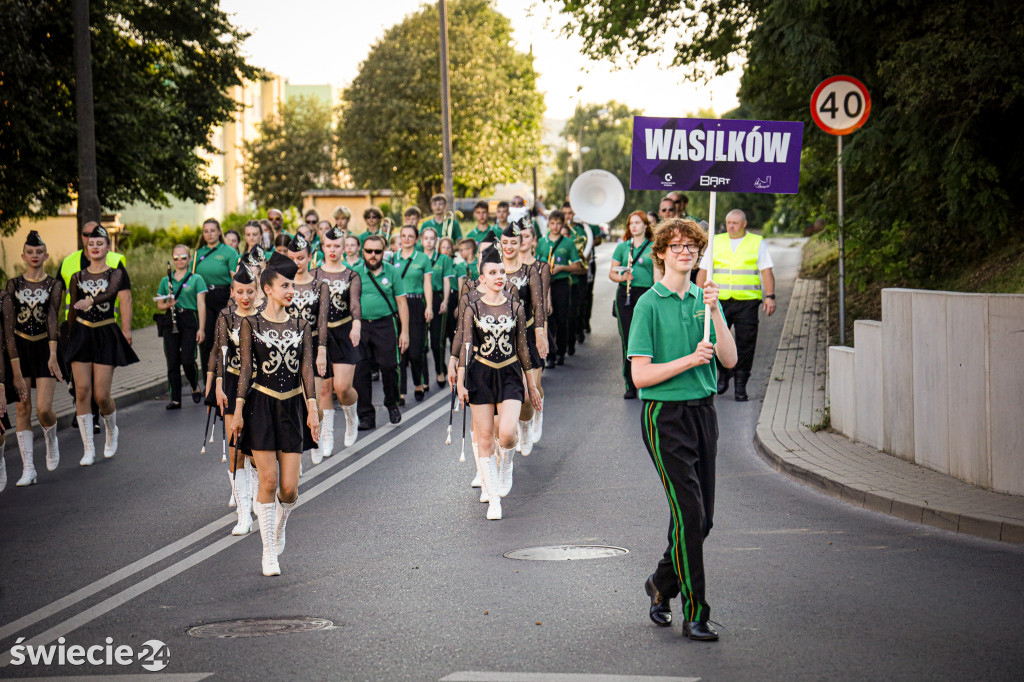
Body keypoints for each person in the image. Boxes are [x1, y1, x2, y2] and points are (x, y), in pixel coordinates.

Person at [626, 217, 737, 642]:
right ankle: (696, 612)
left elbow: (728, 360)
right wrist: (690, 360)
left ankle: (660, 583)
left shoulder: (704, 298)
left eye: (691, 245)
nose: (684, 251)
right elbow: (640, 376)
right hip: (664, 418)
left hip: (703, 414)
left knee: (702, 520)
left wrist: (714, 310)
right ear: (661, 253)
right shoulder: (648, 304)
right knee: (690, 513)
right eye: (676, 246)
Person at [233, 253, 319, 576]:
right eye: (285, 285)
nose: (290, 290)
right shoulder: (250, 324)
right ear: (267, 289)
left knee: (289, 489)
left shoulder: (301, 325)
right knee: (267, 480)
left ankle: (279, 526)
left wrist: (313, 410)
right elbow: (244, 372)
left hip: (293, 409)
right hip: (261, 407)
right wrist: (238, 411)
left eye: (292, 285)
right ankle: (269, 550)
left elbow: (307, 371)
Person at [456, 247, 542, 520]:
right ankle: (494, 499)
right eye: (492, 273)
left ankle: (507, 464)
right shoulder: (472, 307)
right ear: (481, 278)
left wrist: (532, 384)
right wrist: (460, 381)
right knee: (484, 439)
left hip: (510, 375)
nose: (499, 276)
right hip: (480, 376)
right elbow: (465, 347)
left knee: (505, 433)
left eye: (502, 272)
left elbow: (523, 349)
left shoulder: (515, 306)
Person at [65, 225, 139, 465]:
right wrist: (67, 341)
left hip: (106, 333)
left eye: (100, 243)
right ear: (86, 249)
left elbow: (115, 295)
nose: (95, 247)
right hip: (81, 335)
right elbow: (71, 311)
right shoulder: (77, 276)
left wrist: (126, 329)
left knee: (101, 395)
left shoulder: (116, 273)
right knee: (81, 391)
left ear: (108, 247)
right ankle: (88, 449)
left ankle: (111, 430)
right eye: (91, 244)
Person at [696, 209, 775, 401]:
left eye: (735, 223)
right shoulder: (716, 242)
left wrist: (770, 296)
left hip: (747, 302)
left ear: (744, 224)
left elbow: (766, 271)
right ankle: (723, 373)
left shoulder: (757, 242)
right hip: (719, 301)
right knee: (715, 339)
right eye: (728, 222)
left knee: (746, 343)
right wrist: (698, 296)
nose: (731, 226)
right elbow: (703, 271)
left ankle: (741, 384)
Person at [6, 231, 64, 485]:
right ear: (23, 256)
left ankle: (51, 439)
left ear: (46, 255)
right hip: (20, 349)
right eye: (30, 252)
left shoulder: (54, 284)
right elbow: (8, 327)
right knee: (22, 407)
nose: (34, 256)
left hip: (44, 347)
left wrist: (53, 354)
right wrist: (12, 364)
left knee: (43, 409)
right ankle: (28, 468)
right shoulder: (13, 285)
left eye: (39, 252)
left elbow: (53, 317)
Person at [209, 265, 259, 535]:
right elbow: (220, 354)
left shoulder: (264, 316)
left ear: (257, 291)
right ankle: (244, 514)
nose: (245, 297)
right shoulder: (226, 316)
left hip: (259, 386)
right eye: (240, 292)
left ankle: (258, 493)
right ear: (233, 292)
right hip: (231, 383)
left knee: (255, 452)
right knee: (235, 450)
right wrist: (218, 385)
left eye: (250, 291)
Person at [352, 235, 409, 429]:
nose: (373, 255)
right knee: (360, 371)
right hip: (361, 326)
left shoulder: (392, 271)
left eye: (377, 251)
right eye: (369, 251)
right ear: (363, 252)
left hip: (385, 324)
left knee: (389, 366)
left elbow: (402, 302)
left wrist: (405, 332)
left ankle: (392, 404)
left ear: (383, 252)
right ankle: (366, 415)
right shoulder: (355, 273)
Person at [500, 222, 547, 456]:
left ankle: (526, 425)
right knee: (510, 392)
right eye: (505, 242)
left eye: (513, 242)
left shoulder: (530, 271)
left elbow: (539, 306)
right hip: (501, 340)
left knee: (530, 393)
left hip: (527, 335)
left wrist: (540, 335)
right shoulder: (493, 270)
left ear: (521, 244)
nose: (509, 247)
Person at [316, 227, 362, 452]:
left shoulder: (351, 275)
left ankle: (352, 417)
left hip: (343, 332)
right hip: (320, 335)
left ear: (344, 248)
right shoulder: (314, 274)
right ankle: (327, 435)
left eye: (337, 246)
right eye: (328, 246)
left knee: (342, 388)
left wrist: (356, 324)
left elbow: (354, 303)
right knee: (325, 389)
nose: (332, 250)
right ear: (322, 247)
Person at [610, 211, 655, 399]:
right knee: (628, 339)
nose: (634, 226)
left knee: (647, 336)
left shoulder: (653, 247)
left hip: (646, 293)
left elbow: (658, 273)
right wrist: (622, 276)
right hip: (626, 294)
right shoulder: (623, 247)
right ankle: (630, 383)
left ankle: (649, 379)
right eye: (631, 223)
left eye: (638, 222)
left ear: (646, 225)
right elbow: (612, 273)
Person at [157, 245, 207, 408]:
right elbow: (160, 305)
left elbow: (201, 304)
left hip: (188, 320)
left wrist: (201, 328)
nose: (179, 261)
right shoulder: (166, 280)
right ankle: (176, 398)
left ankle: (193, 385)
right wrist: (167, 303)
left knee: (187, 359)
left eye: (183, 257)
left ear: (189, 259)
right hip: (170, 321)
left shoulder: (196, 279)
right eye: (176, 258)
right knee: (172, 361)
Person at [388, 225, 432, 403]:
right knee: (399, 351)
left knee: (416, 350)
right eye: (403, 236)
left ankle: (418, 384)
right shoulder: (393, 258)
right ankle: (401, 391)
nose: (406, 239)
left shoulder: (422, 258)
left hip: (416, 303)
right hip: (397, 304)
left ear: (416, 238)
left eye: (410, 236)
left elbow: (427, 284)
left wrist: (429, 306)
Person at [192, 218, 240, 378]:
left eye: (212, 230)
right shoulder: (198, 253)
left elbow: (235, 278)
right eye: (206, 231)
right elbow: (191, 278)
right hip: (203, 299)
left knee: (224, 340)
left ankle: (226, 379)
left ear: (219, 232)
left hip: (223, 297)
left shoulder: (229, 252)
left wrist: (232, 301)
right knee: (206, 340)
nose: (209, 234)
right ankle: (208, 381)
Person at [535, 210, 582, 367]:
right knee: (547, 319)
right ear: (548, 223)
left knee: (562, 318)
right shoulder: (542, 242)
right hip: (544, 285)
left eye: (558, 223)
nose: (555, 227)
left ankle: (561, 351)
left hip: (561, 284)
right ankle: (550, 355)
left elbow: (577, 266)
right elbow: (535, 263)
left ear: (563, 224)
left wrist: (561, 268)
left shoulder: (568, 243)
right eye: (552, 223)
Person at [518, 223, 549, 445]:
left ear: (534, 241)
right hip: (512, 332)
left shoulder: (540, 267)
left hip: (533, 328)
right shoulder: (507, 267)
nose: (521, 240)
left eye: (526, 236)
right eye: (517, 236)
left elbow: (541, 305)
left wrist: (543, 335)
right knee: (519, 387)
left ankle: (537, 415)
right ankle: (522, 423)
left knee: (534, 386)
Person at [421, 227, 455, 388]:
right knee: (421, 343)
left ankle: (440, 370)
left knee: (437, 341)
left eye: (432, 238)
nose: (429, 241)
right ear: (421, 240)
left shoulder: (443, 259)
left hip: (438, 297)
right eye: (426, 238)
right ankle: (423, 379)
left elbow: (447, 281)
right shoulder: (418, 258)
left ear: (436, 241)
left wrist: (445, 301)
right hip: (420, 298)